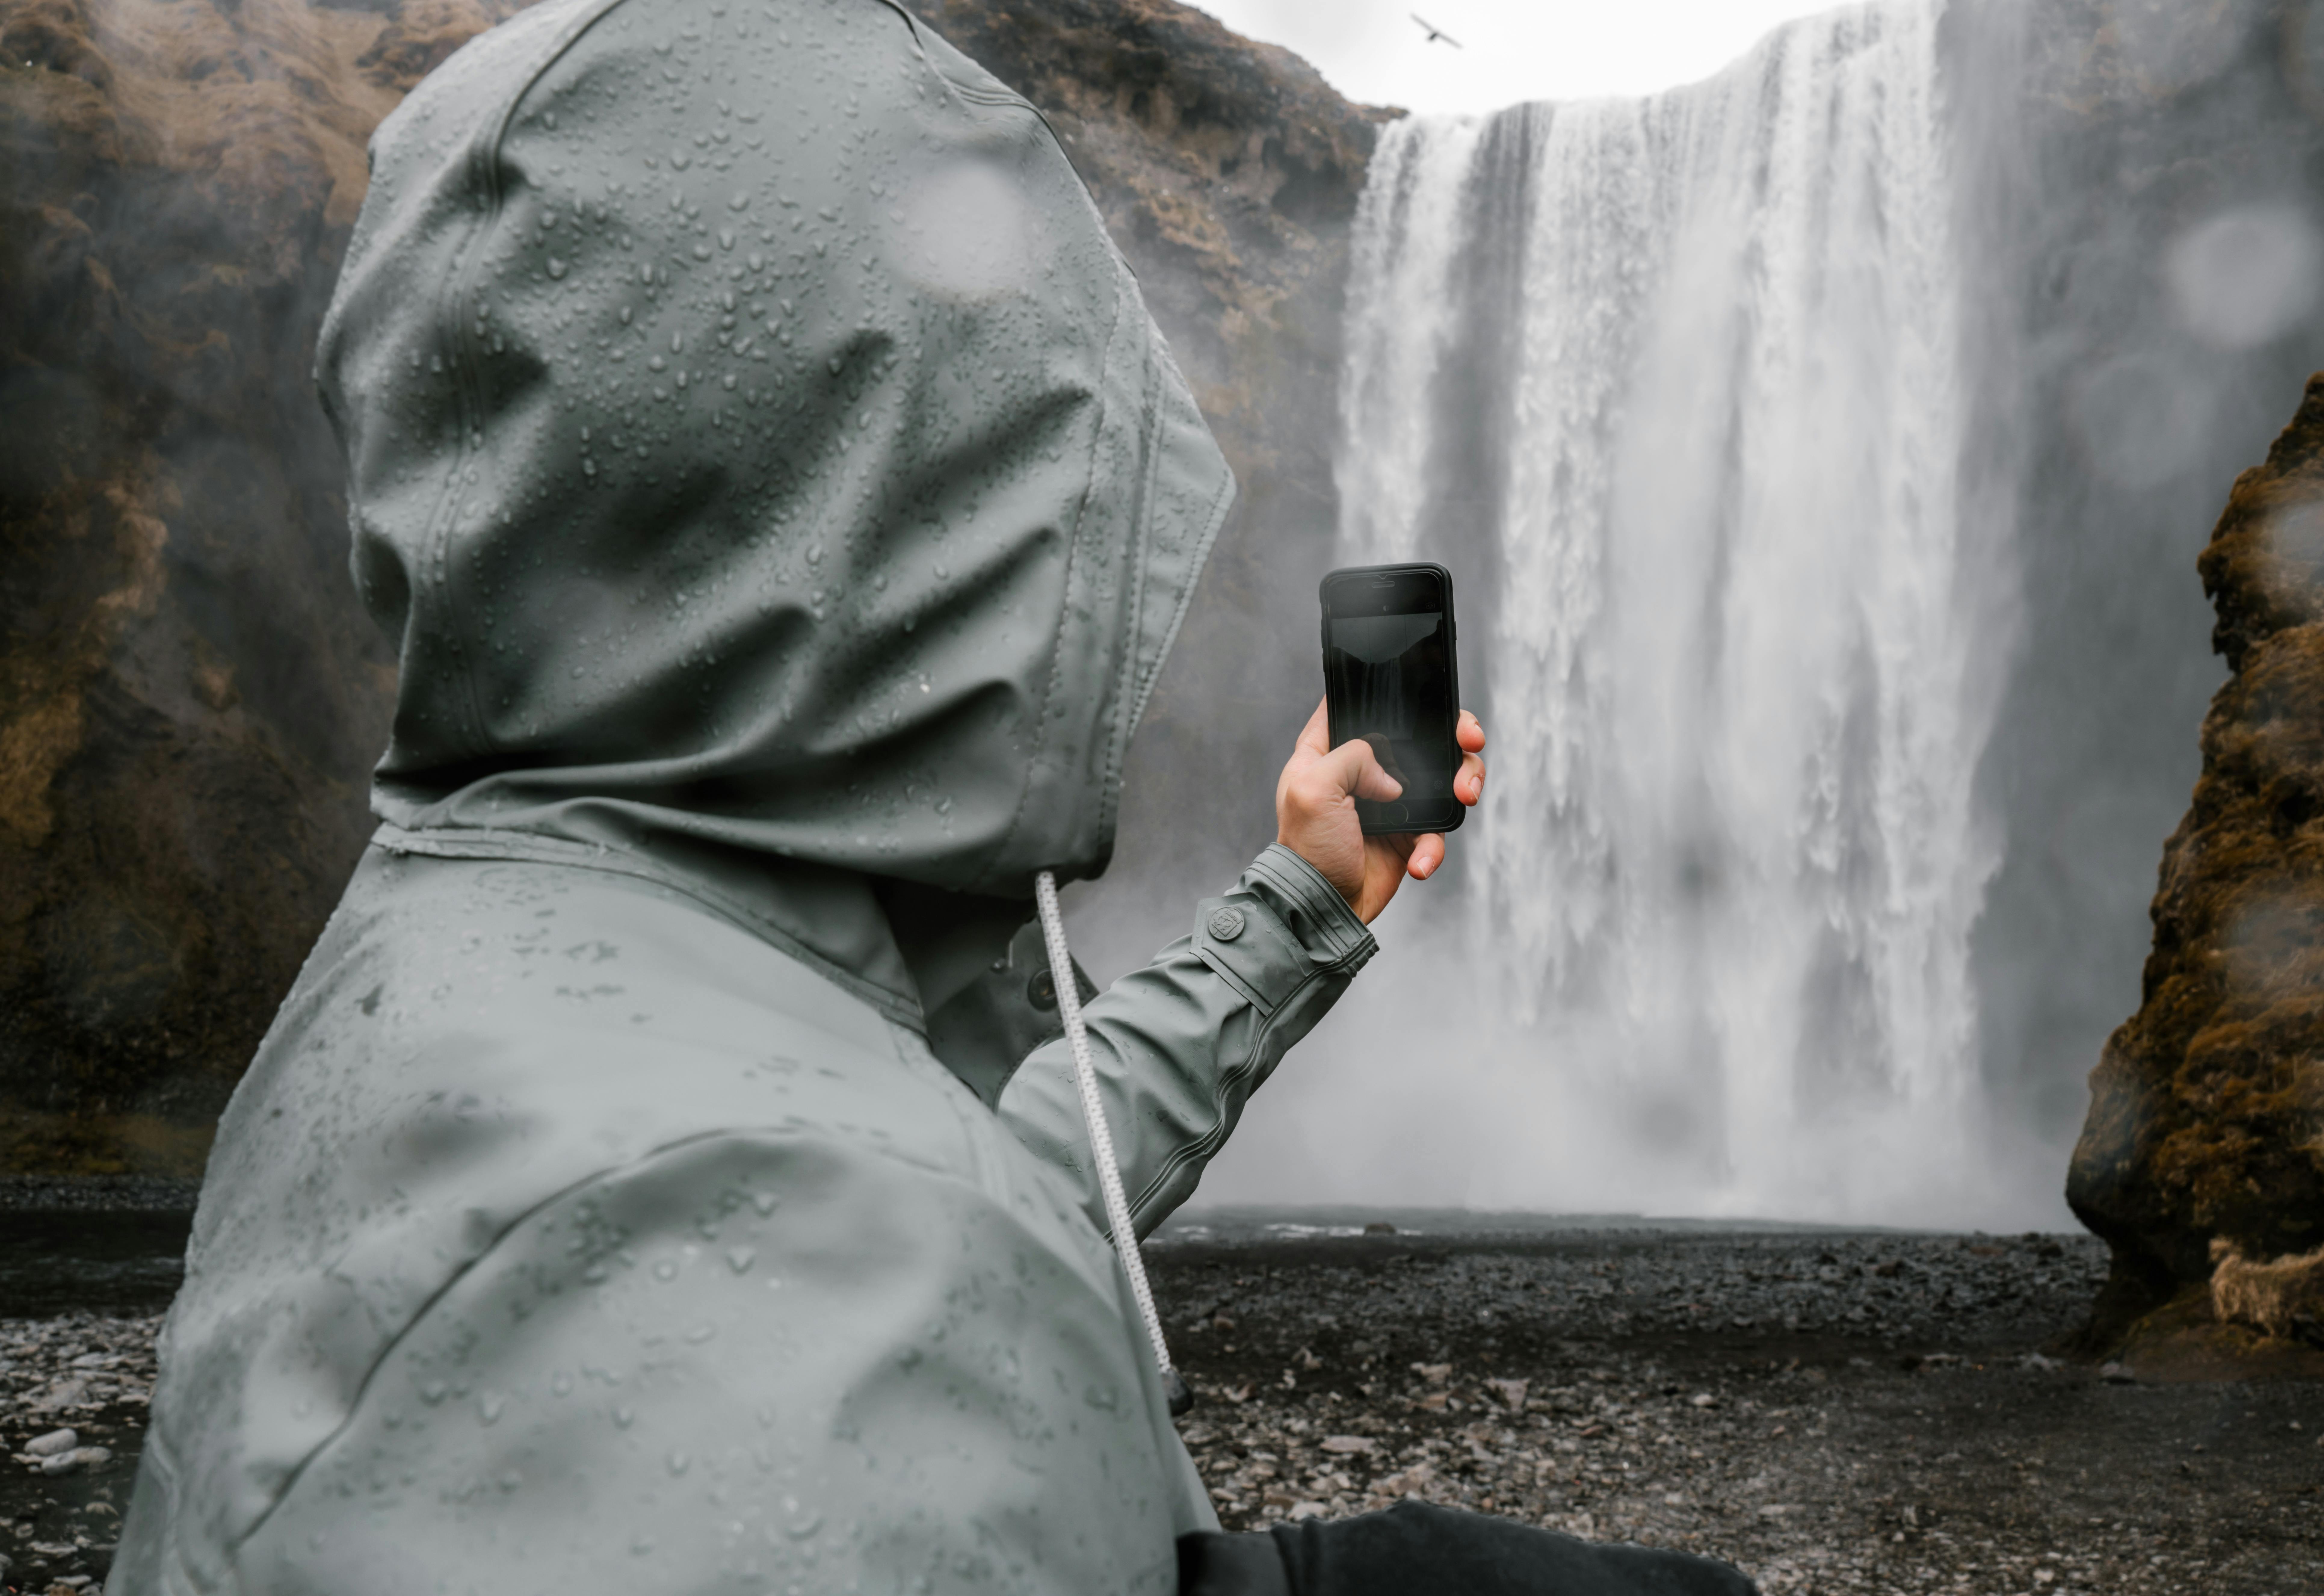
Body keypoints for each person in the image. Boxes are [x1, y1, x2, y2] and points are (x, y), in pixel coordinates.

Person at [109, 2, 1754, 1592]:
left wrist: (1298, 907)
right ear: (921, 504)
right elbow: (838, 1262)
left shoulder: (496, 923)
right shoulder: (754, 1256)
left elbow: (928, 1187)